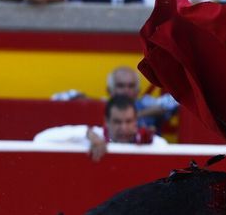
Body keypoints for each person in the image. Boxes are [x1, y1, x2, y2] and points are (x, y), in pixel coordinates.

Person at [34, 96, 168, 163]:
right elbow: (40, 139)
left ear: (136, 121)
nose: (123, 127)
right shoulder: (93, 137)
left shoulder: (153, 143)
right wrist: (86, 133)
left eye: (128, 121)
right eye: (117, 122)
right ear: (106, 122)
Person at [106, 66, 179, 131]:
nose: (126, 90)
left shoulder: (146, 103)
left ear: (138, 90)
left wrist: (140, 113)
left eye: (131, 86)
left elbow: (177, 100)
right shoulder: (101, 106)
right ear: (109, 90)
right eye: (121, 86)